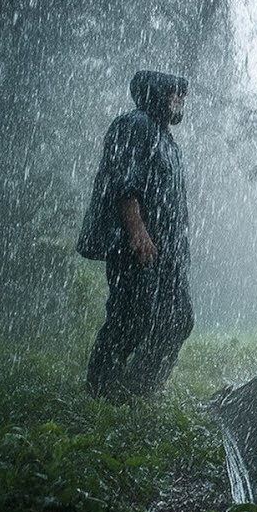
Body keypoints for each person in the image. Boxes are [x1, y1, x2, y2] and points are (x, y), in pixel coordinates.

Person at [78, 70, 192, 399]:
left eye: (183, 94)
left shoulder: (166, 139)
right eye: (175, 92)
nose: (181, 99)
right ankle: (100, 390)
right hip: (135, 248)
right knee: (130, 318)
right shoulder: (135, 125)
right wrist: (137, 231)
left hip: (167, 251)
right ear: (156, 93)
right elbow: (124, 182)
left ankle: (138, 390)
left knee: (179, 318)